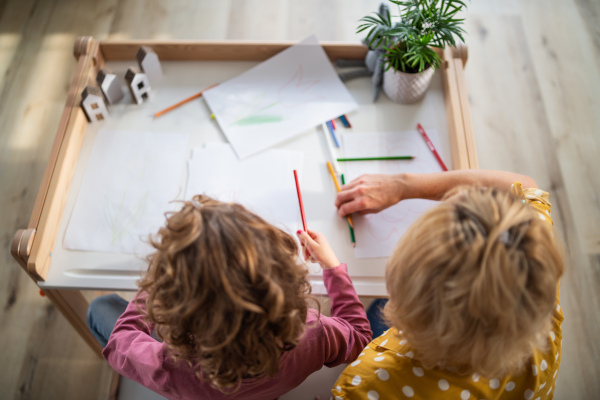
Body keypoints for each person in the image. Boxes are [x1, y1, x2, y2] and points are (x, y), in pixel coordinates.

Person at [87, 195, 371, 400]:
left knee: (100, 308)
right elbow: (360, 338)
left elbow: (121, 340)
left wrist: (155, 285)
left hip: (199, 385)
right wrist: (332, 268)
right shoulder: (314, 333)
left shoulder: (168, 367)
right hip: (268, 387)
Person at [331, 170, 564, 400]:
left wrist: (406, 186)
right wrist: (403, 184)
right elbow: (523, 185)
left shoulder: (365, 386)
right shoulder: (533, 275)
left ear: (413, 314)